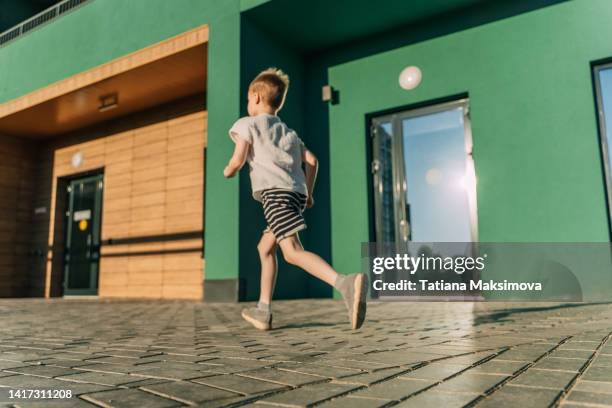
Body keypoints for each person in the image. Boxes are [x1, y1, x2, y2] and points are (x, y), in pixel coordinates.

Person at [223, 67, 367, 331]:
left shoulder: (248, 123)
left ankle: (344, 283)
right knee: (265, 248)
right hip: (293, 195)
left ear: (255, 97)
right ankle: (263, 311)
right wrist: (309, 194)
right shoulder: (289, 133)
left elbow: (238, 158)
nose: (247, 104)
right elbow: (312, 161)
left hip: (275, 197)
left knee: (291, 252)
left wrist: (229, 170)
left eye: (247, 99)